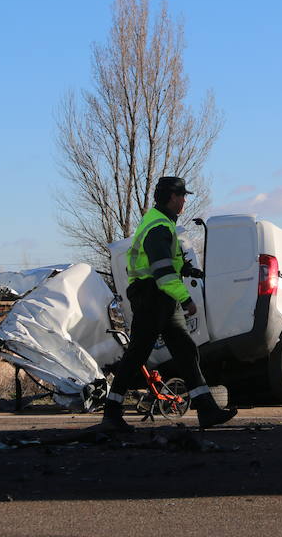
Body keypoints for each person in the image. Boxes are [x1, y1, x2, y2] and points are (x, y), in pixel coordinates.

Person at [100, 176, 237, 430]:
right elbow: (161, 272)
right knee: (138, 354)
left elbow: (162, 263)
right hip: (154, 297)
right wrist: (186, 299)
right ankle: (111, 413)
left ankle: (206, 409)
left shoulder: (159, 223)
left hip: (159, 297)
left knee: (184, 350)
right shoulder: (159, 227)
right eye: (182, 195)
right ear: (172, 197)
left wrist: (185, 269)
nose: (185, 200)